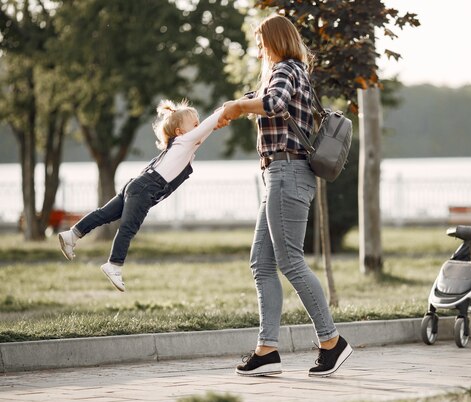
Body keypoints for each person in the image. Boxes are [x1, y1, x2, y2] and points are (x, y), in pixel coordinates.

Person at [216, 15, 352, 378]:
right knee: (261, 264)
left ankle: (331, 342)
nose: (258, 49)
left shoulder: (284, 68)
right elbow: (265, 99)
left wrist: (239, 107)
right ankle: (267, 350)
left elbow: (273, 103)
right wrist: (233, 107)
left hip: (287, 173)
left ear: (275, 40)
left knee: (290, 261)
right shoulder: (293, 70)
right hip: (281, 175)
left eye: (261, 41)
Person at [58, 99, 222, 292]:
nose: (199, 125)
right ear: (180, 132)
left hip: (136, 184)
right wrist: (226, 111)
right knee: (128, 227)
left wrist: (222, 116)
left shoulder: (180, 144)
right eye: (194, 123)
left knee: (104, 214)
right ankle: (114, 265)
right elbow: (207, 127)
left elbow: (207, 129)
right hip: (145, 189)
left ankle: (72, 234)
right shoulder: (185, 141)